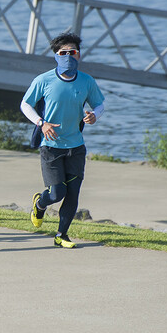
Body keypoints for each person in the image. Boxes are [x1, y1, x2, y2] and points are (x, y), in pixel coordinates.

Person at [21, 32, 105, 249]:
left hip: (76, 146)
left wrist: (95, 115)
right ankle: (39, 203)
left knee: (73, 193)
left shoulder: (87, 81)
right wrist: (42, 123)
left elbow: (99, 104)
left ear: (79, 55)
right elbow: (25, 105)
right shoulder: (43, 80)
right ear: (56, 56)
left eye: (72, 52)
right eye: (63, 53)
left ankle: (61, 235)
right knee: (57, 193)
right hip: (51, 146)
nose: (68, 56)